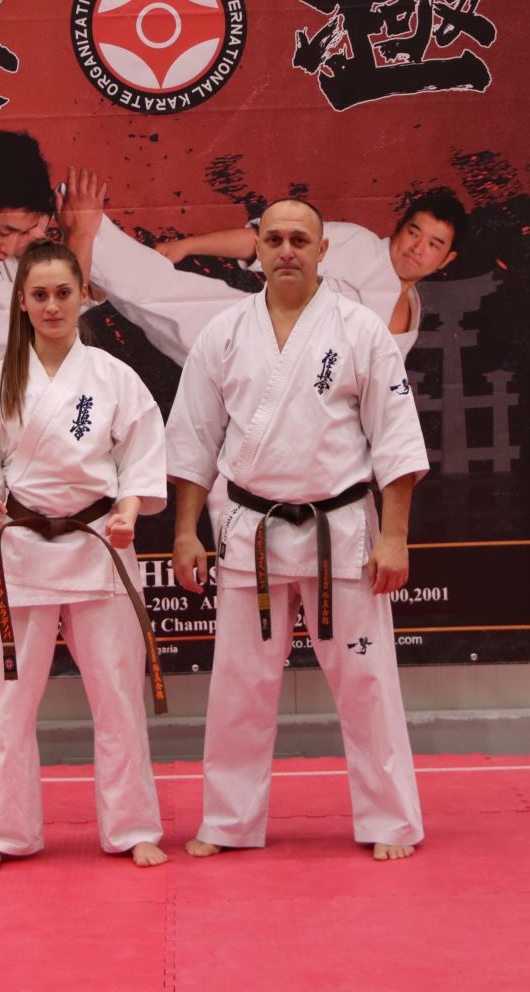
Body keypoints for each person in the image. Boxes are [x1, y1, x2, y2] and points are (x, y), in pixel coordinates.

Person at [165, 199, 430, 862]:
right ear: (257, 248)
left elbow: (396, 441)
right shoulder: (224, 332)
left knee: (367, 682)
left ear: (322, 250)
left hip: (340, 531)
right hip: (249, 532)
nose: (287, 250)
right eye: (275, 239)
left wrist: (394, 537)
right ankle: (229, 821)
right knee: (239, 685)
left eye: (300, 240)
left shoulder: (360, 329)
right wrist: (185, 532)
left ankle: (391, 820)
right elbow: (193, 441)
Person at [0, 129, 242, 561]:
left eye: (28, 231)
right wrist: (80, 237)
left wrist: (84, 229)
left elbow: (97, 283)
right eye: (6, 231)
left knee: (46, 593)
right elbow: (44, 318)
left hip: (31, 460)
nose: (14, 246)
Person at [0, 239, 169, 874]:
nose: (52, 305)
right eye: (40, 294)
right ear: (21, 301)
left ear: (83, 297)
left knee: (118, 695)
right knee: (7, 700)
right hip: (21, 548)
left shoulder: (113, 377)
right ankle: (0, 830)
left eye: (63, 293)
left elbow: (141, 456)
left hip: (98, 544)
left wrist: (129, 508)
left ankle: (133, 826)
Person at [151, 188, 466, 357]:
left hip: (309, 412)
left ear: (446, 259)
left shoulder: (411, 309)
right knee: (148, 287)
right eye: (413, 233)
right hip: (259, 348)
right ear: (399, 227)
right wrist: (186, 246)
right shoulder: (361, 246)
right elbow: (269, 243)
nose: (417, 248)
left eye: (433, 244)